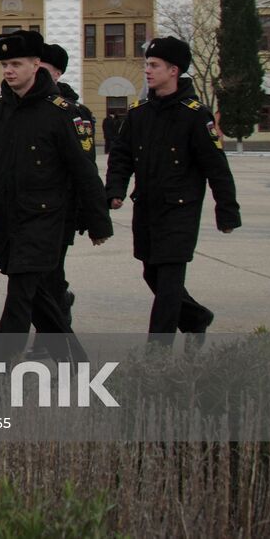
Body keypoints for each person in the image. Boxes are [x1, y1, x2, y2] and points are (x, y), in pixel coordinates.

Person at [0, 29, 112, 362]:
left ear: (36, 64)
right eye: (5, 64)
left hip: (44, 219)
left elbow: (84, 172)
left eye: (16, 63)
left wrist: (98, 222)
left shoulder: (61, 113)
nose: (9, 70)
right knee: (38, 296)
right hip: (6, 218)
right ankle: (76, 362)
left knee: (20, 295)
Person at [105, 36, 241, 343]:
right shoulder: (140, 112)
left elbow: (216, 166)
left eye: (154, 66)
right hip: (148, 208)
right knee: (151, 274)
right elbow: (122, 155)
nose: (148, 72)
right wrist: (114, 190)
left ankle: (157, 356)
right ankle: (195, 318)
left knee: (168, 284)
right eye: (146, 66)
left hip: (180, 210)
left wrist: (227, 209)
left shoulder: (196, 115)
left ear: (173, 70)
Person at [38, 42, 96, 327]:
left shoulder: (76, 112)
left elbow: (85, 167)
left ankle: (53, 332)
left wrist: (90, 212)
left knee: (49, 273)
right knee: (38, 276)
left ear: (58, 73)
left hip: (62, 207)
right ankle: (57, 314)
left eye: (44, 70)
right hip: (30, 207)